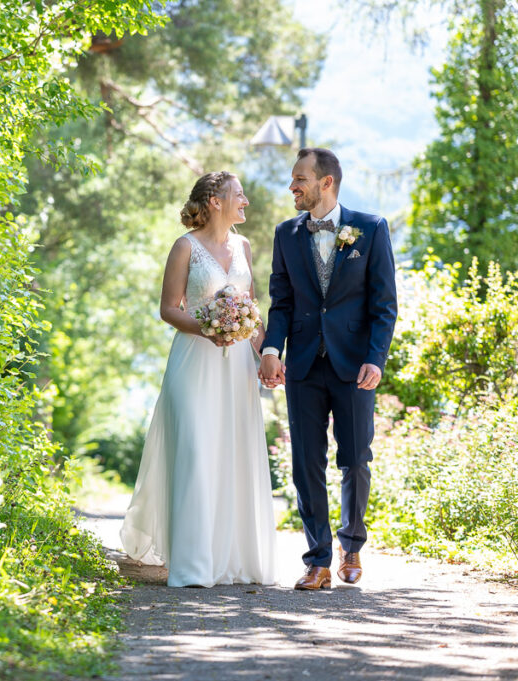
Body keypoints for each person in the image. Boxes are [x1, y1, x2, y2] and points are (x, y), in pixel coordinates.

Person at [120, 171, 276, 588]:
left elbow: (252, 309)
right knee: (195, 450)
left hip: (237, 367)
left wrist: (267, 354)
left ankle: (235, 560)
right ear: (214, 201)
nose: (245, 201)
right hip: (193, 362)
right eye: (238, 194)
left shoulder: (243, 246)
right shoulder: (184, 246)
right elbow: (169, 309)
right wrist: (208, 327)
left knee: (232, 452)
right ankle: (192, 564)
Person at [260, 148, 397, 590]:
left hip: (355, 365)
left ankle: (351, 546)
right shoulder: (286, 234)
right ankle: (317, 559)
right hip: (301, 363)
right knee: (306, 464)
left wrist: (376, 357)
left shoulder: (371, 229)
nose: (292, 186)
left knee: (355, 460)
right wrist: (270, 349)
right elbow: (281, 302)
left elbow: (384, 305)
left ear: (326, 183)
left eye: (299, 178)